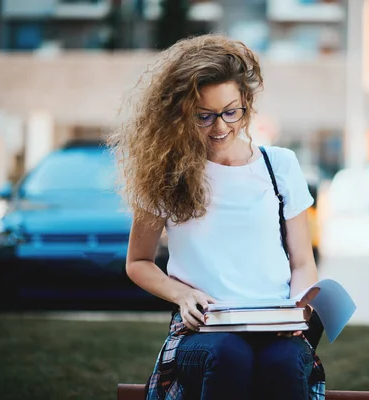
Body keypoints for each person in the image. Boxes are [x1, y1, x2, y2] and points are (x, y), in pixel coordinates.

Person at [108, 34, 325, 400]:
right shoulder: (166, 173)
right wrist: (182, 294)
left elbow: (303, 262)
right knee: (228, 354)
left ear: (246, 104)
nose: (220, 127)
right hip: (203, 332)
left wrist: (298, 309)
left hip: (275, 324)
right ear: (180, 113)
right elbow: (138, 262)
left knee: (285, 363)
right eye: (204, 116)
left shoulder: (280, 165)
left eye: (230, 112)